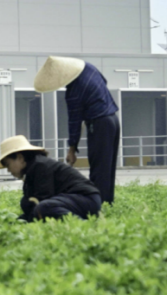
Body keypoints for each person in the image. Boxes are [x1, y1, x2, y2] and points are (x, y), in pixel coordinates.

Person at [34, 56, 120, 205]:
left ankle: (97, 206)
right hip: (113, 119)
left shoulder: (74, 90)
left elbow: (74, 121)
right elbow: (104, 82)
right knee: (107, 168)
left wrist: (71, 149)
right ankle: (107, 202)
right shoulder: (89, 68)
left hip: (99, 123)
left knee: (99, 170)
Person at [0, 135, 101, 222]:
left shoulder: (40, 166)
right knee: (28, 208)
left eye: (8, 164)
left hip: (86, 199)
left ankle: (85, 227)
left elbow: (42, 201)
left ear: (20, 158)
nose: (8, 170)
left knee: (44, 207)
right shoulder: (32, 169)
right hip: (72, 201)